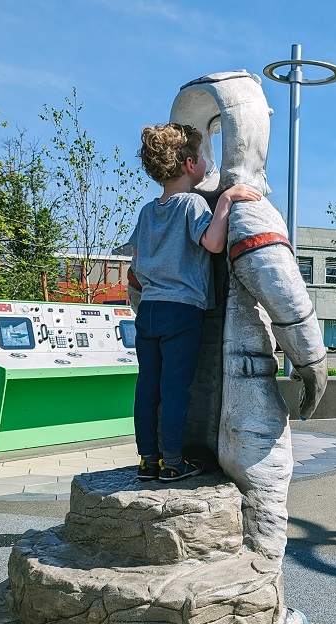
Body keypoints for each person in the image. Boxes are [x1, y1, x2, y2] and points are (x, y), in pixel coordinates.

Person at [129, 122, 261, 483]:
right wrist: (229, 200)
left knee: (148, 386)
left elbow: (136, 271)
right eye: (201, 156)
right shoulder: (192, 203)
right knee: (174, 388)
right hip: (182, 310)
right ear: (189, 165)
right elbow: (213, 243)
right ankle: (173, 461)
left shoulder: (147, 212)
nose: (205, 163)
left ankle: (147, 459)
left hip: (149, 311)